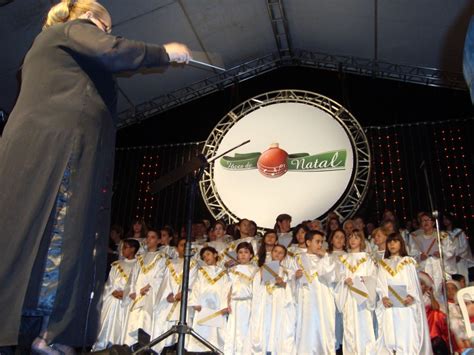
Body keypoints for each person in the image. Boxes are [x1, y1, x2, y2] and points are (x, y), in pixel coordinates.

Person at [0, 0, 191, 348]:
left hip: (42, 146)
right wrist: (164, 52)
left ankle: (34, 326)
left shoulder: (47, 48)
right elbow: (113, 51)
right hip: (61, 147)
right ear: (90, 18)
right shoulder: (71, 30)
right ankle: (47, 331)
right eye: (106, 27)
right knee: (63, 228)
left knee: (33, 233)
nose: (108, 34)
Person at [369, 233, 432, 354]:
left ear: (401, 244)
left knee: (405, 333)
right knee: (390, 333)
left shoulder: (408, 262)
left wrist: (411, 296)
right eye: (390, 242)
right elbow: (381, 283)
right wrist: (383, 297)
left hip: (405, 304)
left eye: (395, 241)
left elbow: (412, 281)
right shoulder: (383, 264)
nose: (392, 244)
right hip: (390, 304)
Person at [294, 231, 337, 354]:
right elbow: (289, 279)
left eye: (322, 242)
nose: (320, 245)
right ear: (308, 242)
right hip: (305, 299)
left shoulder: (326, 258)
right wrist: (294, 277)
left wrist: (326, 257)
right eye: (317, 241)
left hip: (323, 298)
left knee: (323, 327)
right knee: (306, 327)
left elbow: (331, 277)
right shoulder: (297, 259)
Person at [92, 239, 140, 350]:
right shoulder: (117, 265)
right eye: (122, 247)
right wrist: (113, 291)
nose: (122, 250)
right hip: (113, 299)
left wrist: (126, 293)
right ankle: (103, 345)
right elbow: (110, 282)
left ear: (133, 249)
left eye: (125, 247)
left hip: (127, 301)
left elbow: (137, 283)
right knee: (108, 321)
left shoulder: (138, 265)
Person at [224, 242, 258, 355]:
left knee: (247, 332)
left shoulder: (256, 270)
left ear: (251, 255)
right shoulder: (232, 270)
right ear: (237, 255)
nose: (243, 255)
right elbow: (228, 288)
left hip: (249, 304)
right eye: (240, 252)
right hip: (234, 305)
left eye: (246, 252)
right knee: (233, 332)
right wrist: (227, 303)